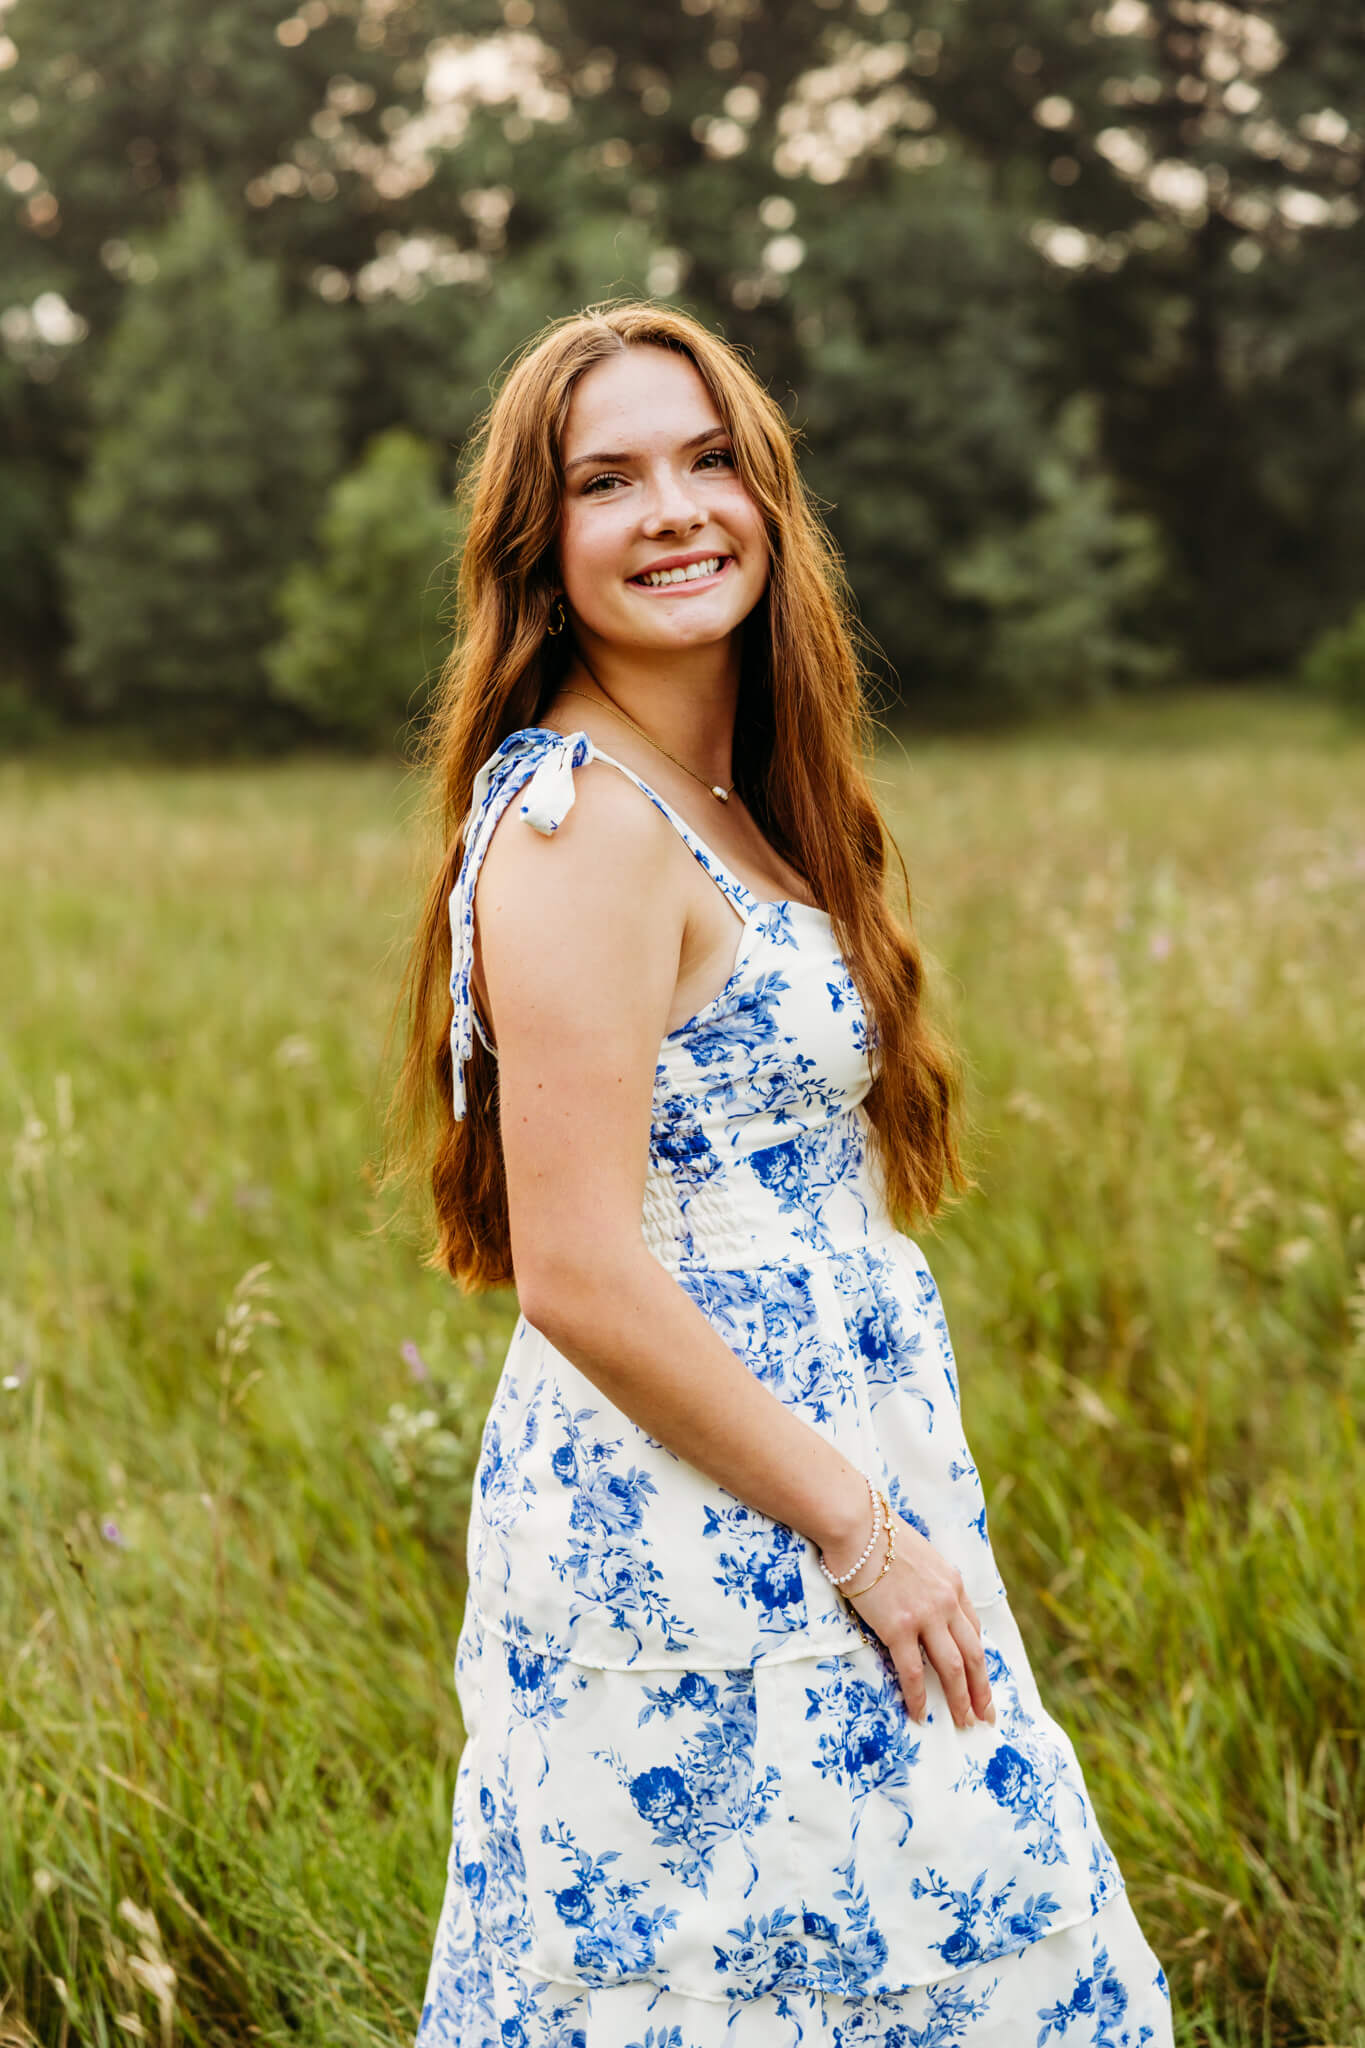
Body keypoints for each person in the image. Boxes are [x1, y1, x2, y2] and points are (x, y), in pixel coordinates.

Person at [392, 302, 1174, 2046]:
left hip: (823, 1465)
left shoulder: (725, 796)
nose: (672, 508)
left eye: (707, 458)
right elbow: (577, 1266)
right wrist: (862, 1536)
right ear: (541, 546)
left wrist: (884, 1505)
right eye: (608, 480)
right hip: (709, 1523)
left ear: (768, 495)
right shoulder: (583, 818)